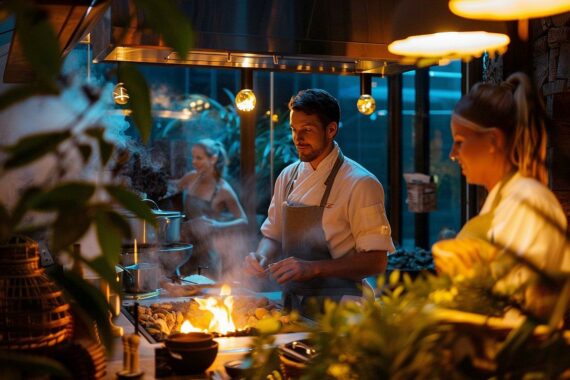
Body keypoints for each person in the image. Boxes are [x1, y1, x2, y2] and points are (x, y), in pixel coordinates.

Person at [244, 89, 395, 316]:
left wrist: (312, 268)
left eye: (307, 130)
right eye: (294, 130)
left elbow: (376, 261)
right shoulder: (287, 177)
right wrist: (261, 256)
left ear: (331, 130)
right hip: (294, 303)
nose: (298, 138)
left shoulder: (360, 183)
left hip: (344, 307)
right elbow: (272, 235)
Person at [433, 72, 569, 317]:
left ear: (493, 140)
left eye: (460, 141)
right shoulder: (506, 200)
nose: (453, 154)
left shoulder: (528, 202)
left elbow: (520, 304)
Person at [177, 138, 248, 279]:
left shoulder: (223, 189)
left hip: (207, 254)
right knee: (183, 295)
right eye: (193, 157)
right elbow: (172, 187)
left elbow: (243, 220)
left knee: (206, 298)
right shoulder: (191, 178)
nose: (193, 162)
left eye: (199, 158)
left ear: (213, 159)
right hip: (185, 250)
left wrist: (218, 225)